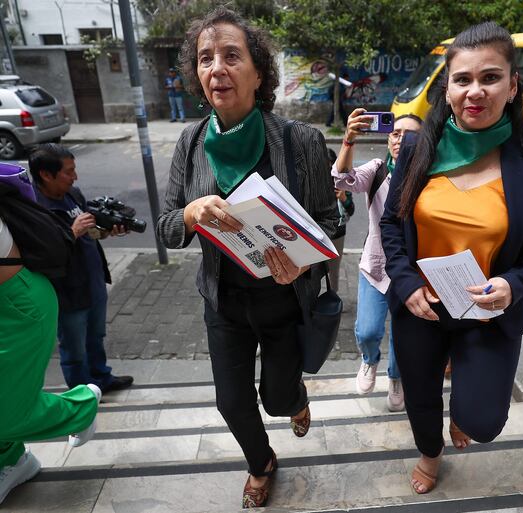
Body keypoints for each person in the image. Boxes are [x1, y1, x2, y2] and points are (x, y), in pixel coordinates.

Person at [156, 8, 338, 509]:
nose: (217, 68)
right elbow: (168, 227)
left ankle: (295, 400)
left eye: (231, 56)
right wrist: (191, 212)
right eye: (205, 58)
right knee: (231, 402)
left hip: (283, 300)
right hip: (224, 303)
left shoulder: (299, 142)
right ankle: (261, 465)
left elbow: (332, 220)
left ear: (259, 73)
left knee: (276, 399)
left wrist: (305, 262)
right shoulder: (191, 143)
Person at [380, 22, 523, 494]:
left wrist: (515, 283)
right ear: (448, 87)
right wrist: (404, 283)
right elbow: (391, 228)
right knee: (421, 400)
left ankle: (463, 410)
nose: (474, 92)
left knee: (481, 421)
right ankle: (430, 453)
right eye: (462, 80)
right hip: (421, 305)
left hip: (487, 310)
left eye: (490, 77)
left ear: (513, 84)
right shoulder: (420, 147)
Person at [0, 174, 101, 505]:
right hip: (12, 301)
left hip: (18, 308)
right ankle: (12, 460)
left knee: (6, 412)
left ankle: (81, 406)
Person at [332, 109, 422, 412]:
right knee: (368, 330)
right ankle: (369, 360)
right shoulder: (378, 169)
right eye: (395, 133)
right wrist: (349, 140)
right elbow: (344, 180)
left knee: (402, 333)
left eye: (410, 134)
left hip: (411, 271)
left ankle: (396, 377)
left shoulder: (428, 174)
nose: (400, 139)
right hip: (375, 266)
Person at [30, 144, 134, 394]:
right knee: (74, 348)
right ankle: (83, 393)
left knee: (95, 337)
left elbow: (90, 233)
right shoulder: (34, 208)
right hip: (67, 291)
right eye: (68, 172)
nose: (75, 177)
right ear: (46, 174)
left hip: (93, 280)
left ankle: (101, 378)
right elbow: (40, 253)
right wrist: (72, 231)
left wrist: (106, 231)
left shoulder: (72, 194)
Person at [326, 148, 354, 291]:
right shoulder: (313, 182)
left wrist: (344, 199)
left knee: (334, 271)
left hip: (337, 234)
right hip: (318, 233)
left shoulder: (341, 183)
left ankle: (333, 299)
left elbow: (351, 210)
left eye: (330, 165)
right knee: (314, 271)